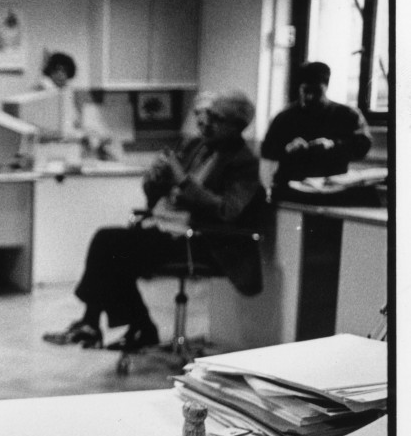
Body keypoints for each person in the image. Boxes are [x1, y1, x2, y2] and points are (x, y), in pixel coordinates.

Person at [43, 90, 264, 351]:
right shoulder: (197, 146)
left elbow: (227, 210)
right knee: (111, 248)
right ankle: (111, 325)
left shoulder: (244, 163)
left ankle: (121, 325)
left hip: (204, 240)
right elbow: (160, 196)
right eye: (206, 116)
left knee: (111, 246)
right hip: (170, 228)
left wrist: (182, 179)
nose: (206, 123)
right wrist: (155, 180)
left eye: (216, 118)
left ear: (235, 126)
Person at [260, 61, 372, 200]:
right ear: (300, 88)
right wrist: (287, 148)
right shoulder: (284, 117)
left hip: (332, 188)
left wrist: (333, 145)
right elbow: (267, 151)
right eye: (306, 91)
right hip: (290, 188)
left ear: (326, 87)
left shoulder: (347, 115)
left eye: (316, 92)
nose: (310, 97)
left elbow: (363, 146)